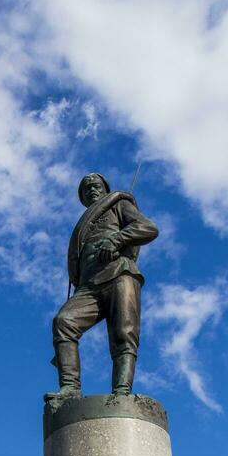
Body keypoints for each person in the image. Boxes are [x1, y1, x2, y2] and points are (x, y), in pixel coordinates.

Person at [45, 172, 159, 406]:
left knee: (123, 333)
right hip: (89, 285)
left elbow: (148, 228)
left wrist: (117, 240)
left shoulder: (119, 204)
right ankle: (70, 389)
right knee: (64, 321)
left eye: (95, 185)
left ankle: (121, 392)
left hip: (119, 273)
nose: (91, 190)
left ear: (105, 188)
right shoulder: (84, 225)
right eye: (86, 189)